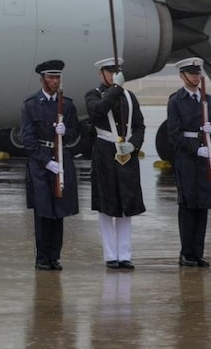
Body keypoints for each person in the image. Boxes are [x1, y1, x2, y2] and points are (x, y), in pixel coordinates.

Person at [85, 58, 145, 270]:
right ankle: (111, 255)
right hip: (105, 151)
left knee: (126, 204)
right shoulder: (93, 94)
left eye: (115, 71)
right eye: (109, 72)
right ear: (101, 74)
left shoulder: (130, 97)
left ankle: (125, 254)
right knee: (106, 205)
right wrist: (116, 88)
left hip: (125, 152)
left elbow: (139, 125)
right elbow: (99, 111)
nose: (112, 75)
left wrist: (134, 144)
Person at [21, 59, 79, 271]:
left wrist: (67, 132)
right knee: (43, 211)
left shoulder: (67, 105)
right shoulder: (31, 104)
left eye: (57, 77)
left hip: (61, 157)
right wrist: (46, 162)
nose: (55, 81)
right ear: (42, 79)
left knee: (59, 211)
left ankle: (55, 256)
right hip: (40, 162)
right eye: (51, 77)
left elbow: (75, 133)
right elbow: (27, 139)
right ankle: (42, 257)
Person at [167, 57, 211, 268]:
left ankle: (197, 253)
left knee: (203, 206)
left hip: (204, 157)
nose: (197, 77)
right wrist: (194, 148)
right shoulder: (176, 101)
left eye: (198, 73)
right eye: (192, 73)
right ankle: (186, 253)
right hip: (187, 158)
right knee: (188, 206)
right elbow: (173, 134)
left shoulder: (208, 100)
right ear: (183, 76)